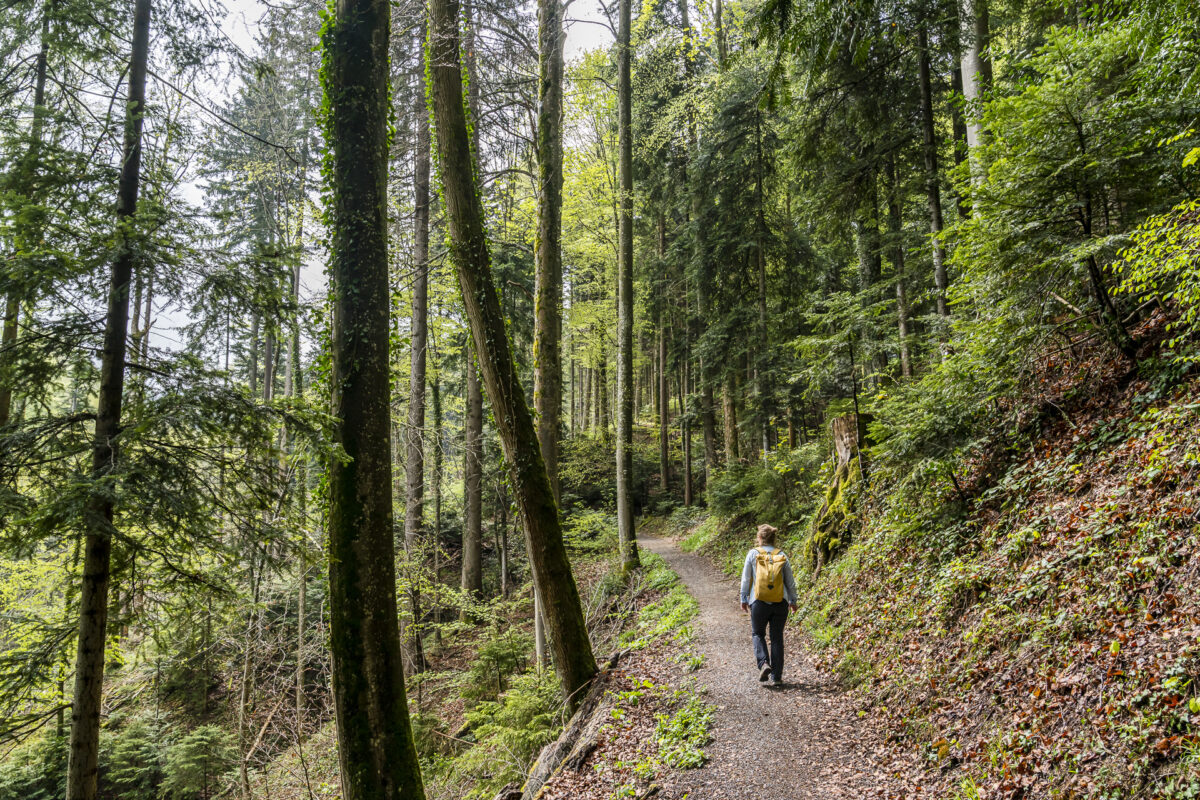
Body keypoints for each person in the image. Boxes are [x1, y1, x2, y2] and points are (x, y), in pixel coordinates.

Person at [739, 523, 798, 685]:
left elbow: (746, 579)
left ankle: (764, 663)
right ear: (774, 538)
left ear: (759, 538)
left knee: (758, 633)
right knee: (777, 637)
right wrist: (793, 601)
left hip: (758, 601)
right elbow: (790, 582)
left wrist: (743, 598)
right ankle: (777, 677)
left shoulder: (753, 554)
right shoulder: (782, 555)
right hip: (780, 602)